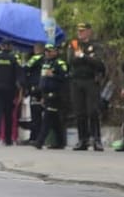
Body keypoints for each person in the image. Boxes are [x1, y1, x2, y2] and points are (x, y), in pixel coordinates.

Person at [67, 22, 108, 151]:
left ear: (89, 31)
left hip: (91, 80)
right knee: (80, 112)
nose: (80, 33)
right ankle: (82, 140)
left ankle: (96, 139)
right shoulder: (74, 44)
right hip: (76, 81)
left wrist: (83, 57)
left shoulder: (95, 45)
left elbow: (99, 63)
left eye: (83, 31)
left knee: (93, 111)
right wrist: (87, 59)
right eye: (79, 31)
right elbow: (71, 60)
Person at [0, 40, 24, 146]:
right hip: (10, 89)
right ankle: (8, 138)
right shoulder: (14, 58)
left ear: (1, 46)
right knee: (8, 114)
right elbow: (20, 74)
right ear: (10, 47)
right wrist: (20, 86)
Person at [34, 44, 68, 149]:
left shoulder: (60, 63)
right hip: (46, 93)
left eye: (50, 51)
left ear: (55, 52)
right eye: (46, 51)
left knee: (47, 118)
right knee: (55, 119)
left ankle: (39, 142)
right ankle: (61, 142)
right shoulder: (45, 62)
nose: (47, 53)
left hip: (56, 94)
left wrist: (53, 75)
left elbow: (66, 76)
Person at [23, 43, 45, 145]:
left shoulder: (36, 58)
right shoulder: (46, 59)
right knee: (42, 113)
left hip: (35, 87)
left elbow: (26, 68)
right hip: (43, 86)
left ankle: (34, 137)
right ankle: (37, 136)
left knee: (35, 113)